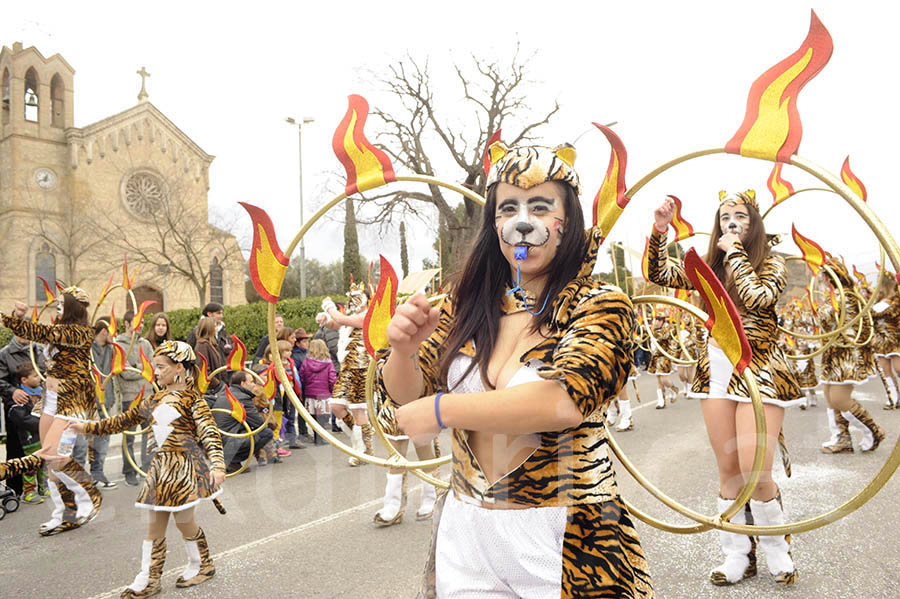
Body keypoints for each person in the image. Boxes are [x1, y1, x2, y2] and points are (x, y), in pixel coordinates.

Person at [379, 142, 653, 597]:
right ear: (494, 225)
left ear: (568, 223)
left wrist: (446, 410)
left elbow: (563, 402)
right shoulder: (465, 307)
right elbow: (407, 401)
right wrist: (403, 351)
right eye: (508, 208)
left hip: (565, 534)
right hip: (468, 530)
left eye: (541, 207)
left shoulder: (600, 305)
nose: (523, 221)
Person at [650, 191, 801, 586]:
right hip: (714, 372)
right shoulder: (708, 267)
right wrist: (660, 230)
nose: (732, 221)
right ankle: (737, 554)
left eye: (740, 216)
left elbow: (759, 297)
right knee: (729, 470)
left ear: (754, 224)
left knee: (756, 469)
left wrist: (735, 254)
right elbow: (660, 274)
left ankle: (776, 548)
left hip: (760, 370)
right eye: (724, 216)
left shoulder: (773, 263)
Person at [68, 340, 225, 597]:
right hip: (160, 471)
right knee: (155, 526)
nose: (156, 372)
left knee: (185, 524)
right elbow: (122, 421)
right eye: (155, 366)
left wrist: (217, 465)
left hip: (184, 470)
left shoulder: (193, 400)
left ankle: (201, 564)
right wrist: (86, 427)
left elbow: (209, 433)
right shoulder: (155, 399)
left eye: (161, 367)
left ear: (179, 369)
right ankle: (150, 578)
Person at [1, 291, 104, 535]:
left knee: (54, 453)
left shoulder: (79, 332)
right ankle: (64, 514)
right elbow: (35, 340)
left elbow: (40, 333)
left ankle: (88, 493)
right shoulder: (60, 331)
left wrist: (9, 319)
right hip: (50, 401)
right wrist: (19, 317)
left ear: (72, 308)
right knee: (51, 462)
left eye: (61, 306)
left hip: (72, 402)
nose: (56, 309)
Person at [818, 257, 886, 453]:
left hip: (846, 355)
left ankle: (874, 430)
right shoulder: (840, 295)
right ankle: (841, 438)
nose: (822, 281)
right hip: (834, 354)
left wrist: (822, 305)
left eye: (824, 277)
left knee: (839, 398)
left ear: (830, 278)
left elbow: (828, 319)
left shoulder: (845, 297)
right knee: (830, 396)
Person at [321, 285, 375, 466]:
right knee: (336, 406)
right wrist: (325, 319)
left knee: (358, 409)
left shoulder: (367, 316)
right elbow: (336, 323)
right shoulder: (352, 317)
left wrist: (329, 307)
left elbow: (341, 318)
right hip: (346, 368)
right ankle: (359, 444)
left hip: (361, 368)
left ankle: (365, 450)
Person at [0, 328, 45, 497]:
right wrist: (13, 391)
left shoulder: (38, 350)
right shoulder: (5, 353)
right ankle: (15, 490)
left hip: (37, 404)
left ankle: (40, 486)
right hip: (17, 405)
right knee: (16, 449)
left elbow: (44, 373)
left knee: (39, 450)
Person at [115, 310, 154, 487]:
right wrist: (142, 369)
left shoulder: (145, 344)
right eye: (137, 322)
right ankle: (129, 471)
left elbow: (153, 366)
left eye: (143, 322)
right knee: (129, 437)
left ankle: (146, 468)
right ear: (127, 323)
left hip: (148, 395)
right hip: (129, 398)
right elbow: (125, 372)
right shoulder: (119, 345)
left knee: (148, 435)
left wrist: (139, 367)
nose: (141, 326)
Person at [212, 371, 273, 473]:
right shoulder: (243, 397)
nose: (254, 384)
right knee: (266, 433)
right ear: (243, 384)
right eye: (252, 382)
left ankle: (231, 461)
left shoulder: (226, 393)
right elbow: (260, 423)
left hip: (217, 438)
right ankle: (231, 460)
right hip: (228, 439)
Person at [89, 319, 117, 489]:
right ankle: (88, 476)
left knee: (104, 440)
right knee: (88, 442)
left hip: (107, 400)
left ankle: (98, 473)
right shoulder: (89, 349)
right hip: (91, 402)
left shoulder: (111, 349)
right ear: (104, 331)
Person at [298, 339, 336, 445]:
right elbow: (332, 379)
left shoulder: (306, 362)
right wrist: (332, 390)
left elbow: (302, 377)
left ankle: (317, 437)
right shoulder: (329, 363)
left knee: (314, 417)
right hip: (324, 394)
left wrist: (306, 388)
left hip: (310, 393)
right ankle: (320, 438)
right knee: (323, 417)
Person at [871, 273, 900, 409]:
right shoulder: (875, 301)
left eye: (879, 283)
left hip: (895, 338)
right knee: (885, 370)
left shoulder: (896, 299)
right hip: (880, 339)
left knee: (898, 368)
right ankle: (893, 398)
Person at [194, 317, 225, 390]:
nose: (216, 328)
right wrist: (218, 384)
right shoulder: (202, 345)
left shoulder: (209, 344)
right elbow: (203, 370)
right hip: (209, 391)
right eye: (214, 326)